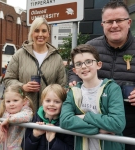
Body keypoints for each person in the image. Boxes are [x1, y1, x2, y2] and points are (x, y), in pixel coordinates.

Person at [68, 1, 135, 150]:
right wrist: (73, 81)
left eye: (119, 20)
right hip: (99, 124)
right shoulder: (91, 47)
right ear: (102, 25)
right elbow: (73, 69)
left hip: (131, 127)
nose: (114, 25)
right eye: (109, 21)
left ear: (129, 22)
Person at [60, 44, 126, 150]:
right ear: (75, 71)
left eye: (88, 61)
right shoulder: (73, 92)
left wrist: (84, 116)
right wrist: (100, 130)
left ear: (99, 65)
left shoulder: (112, 89)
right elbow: (65, 121)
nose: (84, 66)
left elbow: (117, 123)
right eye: (78, 63)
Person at [4, 17, 66, 112]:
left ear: (48, 34)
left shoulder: (56, 58)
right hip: (23, 112)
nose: (40, 34)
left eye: (44, 31)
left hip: (48, 114)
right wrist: (22, 87)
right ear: (32, 33)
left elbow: (62, 87)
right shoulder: (20, 54)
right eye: (37, 31)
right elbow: (8, 79)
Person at [23, 84, 74, 150]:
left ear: (63, 104)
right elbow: (24, 147)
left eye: (57, 102)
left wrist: (53, 140)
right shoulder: (35, 118)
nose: (52, 104)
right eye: (48, 101)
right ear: (42, 102)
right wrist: (34, 136)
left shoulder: (65, 123)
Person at [0, 85, 34, 149]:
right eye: (8, 101)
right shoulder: (2, 111)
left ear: (24, 101)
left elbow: (27, 115)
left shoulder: (27, 111)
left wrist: (9, 120)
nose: (11, 104)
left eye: (15, 100)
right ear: (4, 102)